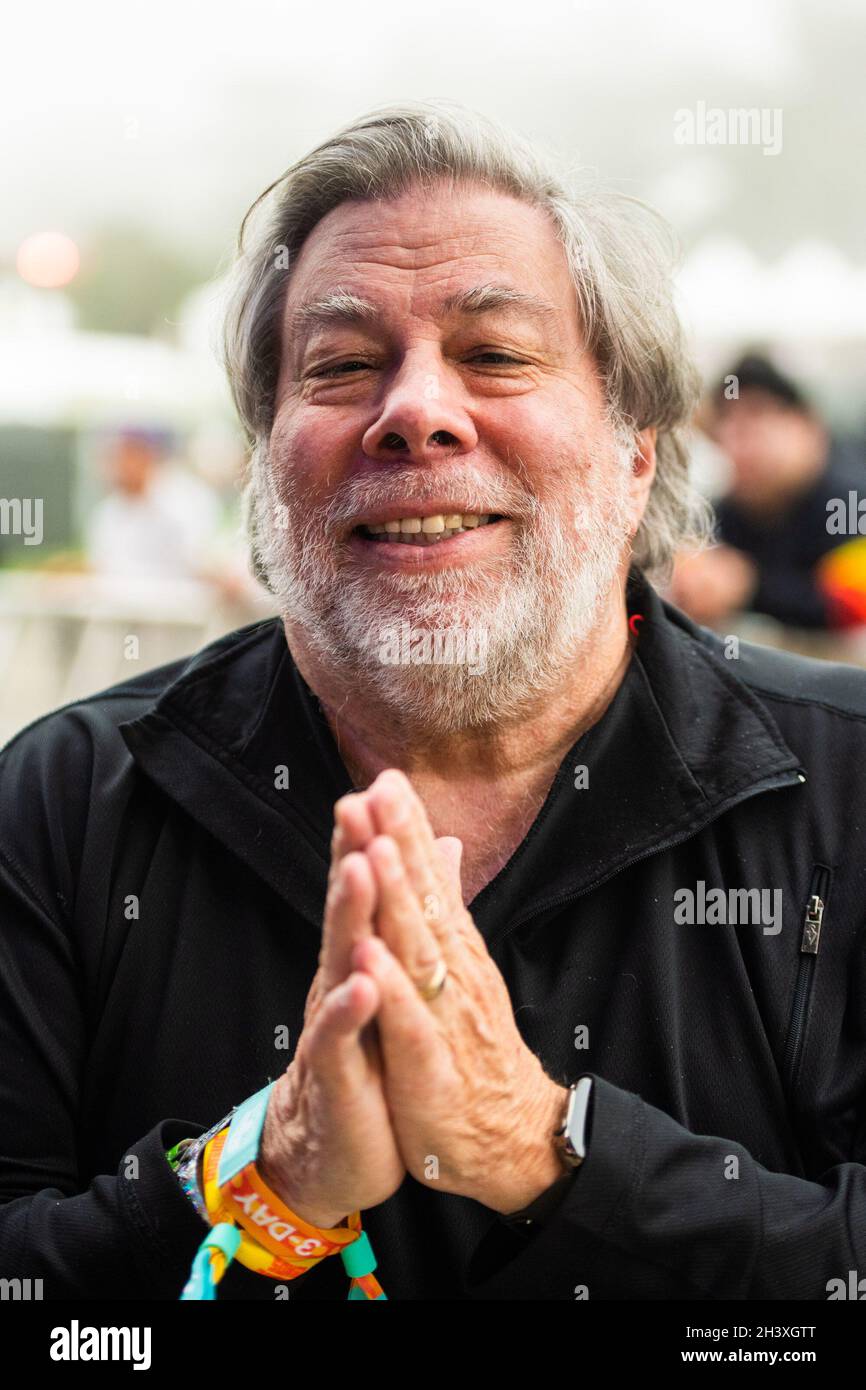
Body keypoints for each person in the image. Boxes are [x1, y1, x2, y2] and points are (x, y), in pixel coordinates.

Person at [2, 101, 866, 1302]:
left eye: (496, 355)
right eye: (342, 365)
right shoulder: (59, 804)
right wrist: (259, 1179)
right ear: (262, 464)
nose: (413, 411)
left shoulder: (844, 791)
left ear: (636, 457)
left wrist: (549, 1152)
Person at [670, 353, 866, 629]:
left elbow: (855, 605)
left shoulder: (851, 500)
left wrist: (747, 586)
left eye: (757, 418)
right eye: (728, 425)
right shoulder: (726, 513)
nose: (740, 444)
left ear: (808, 424)